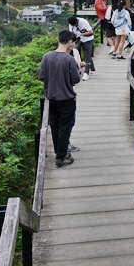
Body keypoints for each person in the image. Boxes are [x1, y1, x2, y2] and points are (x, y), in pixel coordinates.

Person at [36, 30, 83, 168]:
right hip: (66, 98)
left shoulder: (47, 56)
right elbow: (76, 79)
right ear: (69, 42)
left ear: (58, 39)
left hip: (51, 97)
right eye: (72, 41)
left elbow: (41, 76)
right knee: (65, 127)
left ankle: (59, 152)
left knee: (55, 126)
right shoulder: (69, 59)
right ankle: (61, 157)